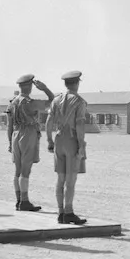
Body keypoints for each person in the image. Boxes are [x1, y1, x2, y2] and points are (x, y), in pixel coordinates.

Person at [7, 74, 55, 211]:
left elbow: (9, 126)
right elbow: (53, 101)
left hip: (15, 135)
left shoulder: (12, 103)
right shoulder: (30, 102)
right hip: (28, 134)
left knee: (17, 170)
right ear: (29, 86)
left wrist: (10, 143)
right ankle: (24, 201)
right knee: (25, 170)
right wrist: (45, 88)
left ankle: (18, 200)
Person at [46, 70, 88, 225]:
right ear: (76, 83)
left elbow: (49, 121)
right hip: (72, 139)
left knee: (60, 178)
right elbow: (80, 124)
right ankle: (69, 212)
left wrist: (49, 140)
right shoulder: (79, 101)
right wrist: (81, 145)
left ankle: (60, 212)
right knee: (71, 179)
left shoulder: (56, 100)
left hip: (59, 139)